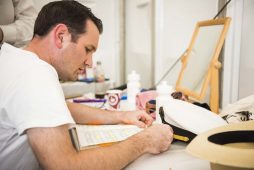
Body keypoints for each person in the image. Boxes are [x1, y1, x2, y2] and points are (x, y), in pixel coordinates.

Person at [0, 1, 173, 170]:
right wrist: (145, 141)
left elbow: (59, 106)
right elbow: (66, 166)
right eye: (87, 49)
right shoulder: (36, 74)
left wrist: (121, 116)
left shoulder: (14, 58)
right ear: (61, 36)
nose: (89, 62)